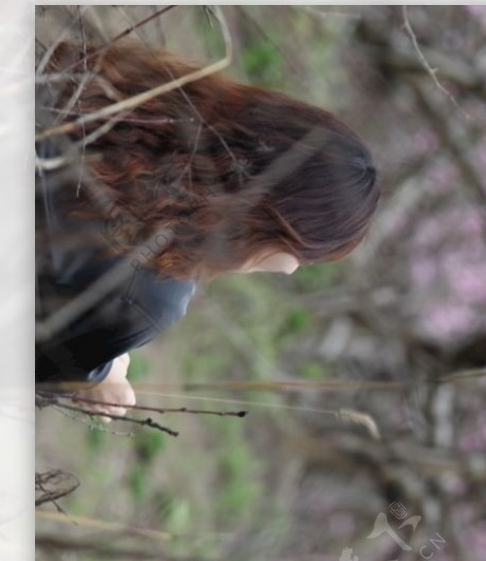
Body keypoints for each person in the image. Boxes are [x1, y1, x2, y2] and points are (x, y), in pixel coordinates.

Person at [35, 39, 381, 420]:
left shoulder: (137, 85)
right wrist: (103, 374)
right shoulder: (152, 295)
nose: (293, 267)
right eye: (304, 254)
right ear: (280, 230)